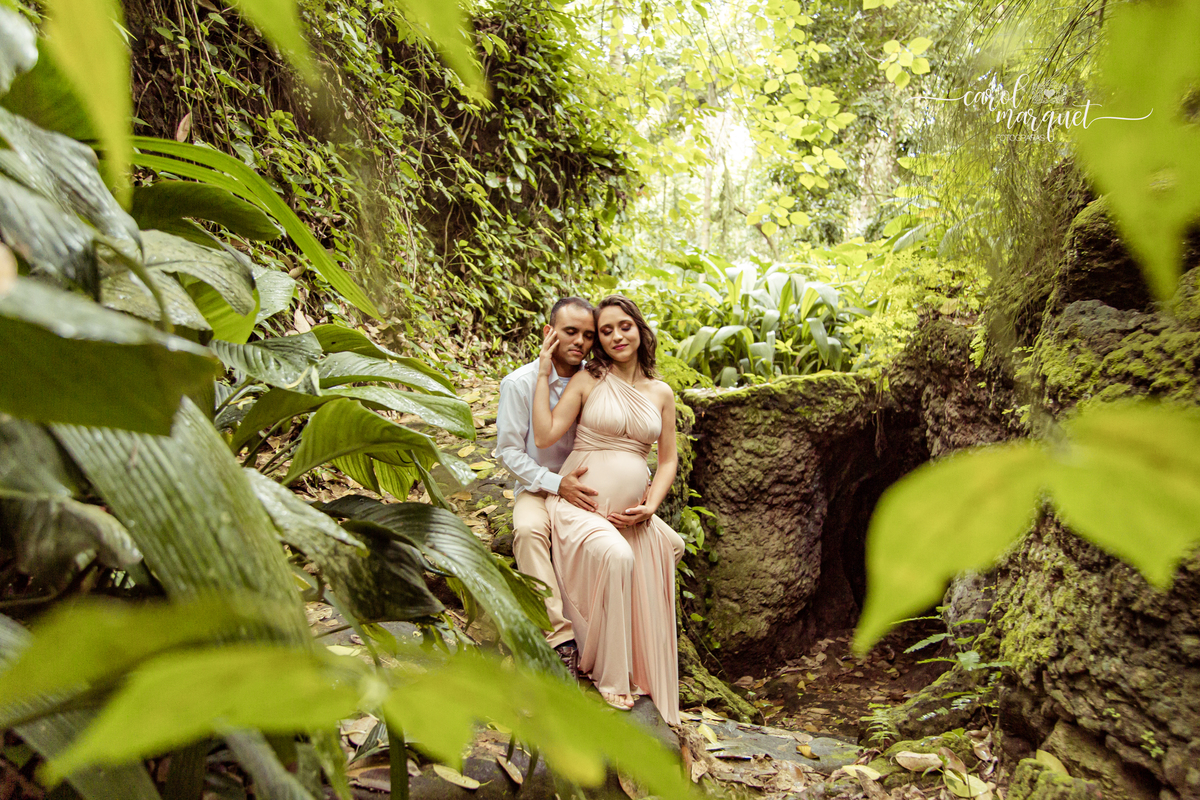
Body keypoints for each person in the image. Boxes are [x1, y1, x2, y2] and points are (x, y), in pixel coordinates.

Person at [533, 295, 685, 723]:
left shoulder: (660, 392)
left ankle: (634, 657)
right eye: (606, 331)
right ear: (598, 341)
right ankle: (610, 677)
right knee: (617, 556)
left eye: (624, 326)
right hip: (580, 507)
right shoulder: (587, 380)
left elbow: (668, 458)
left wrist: (651, 505)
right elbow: (544, 436)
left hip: (632, 516)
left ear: (639, 329)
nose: (617, 336)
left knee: (669, 549)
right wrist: (545, 373)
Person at [495, 297, 600, 676]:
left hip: (591, 487)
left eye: (588, 335)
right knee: (527, 531)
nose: (580, 342)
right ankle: (560, 643)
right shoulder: (520, 384)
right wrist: (556, 484)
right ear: (549, 333)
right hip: (540, 487)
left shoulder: (599, 380)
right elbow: (507, 451)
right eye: (570, 332)